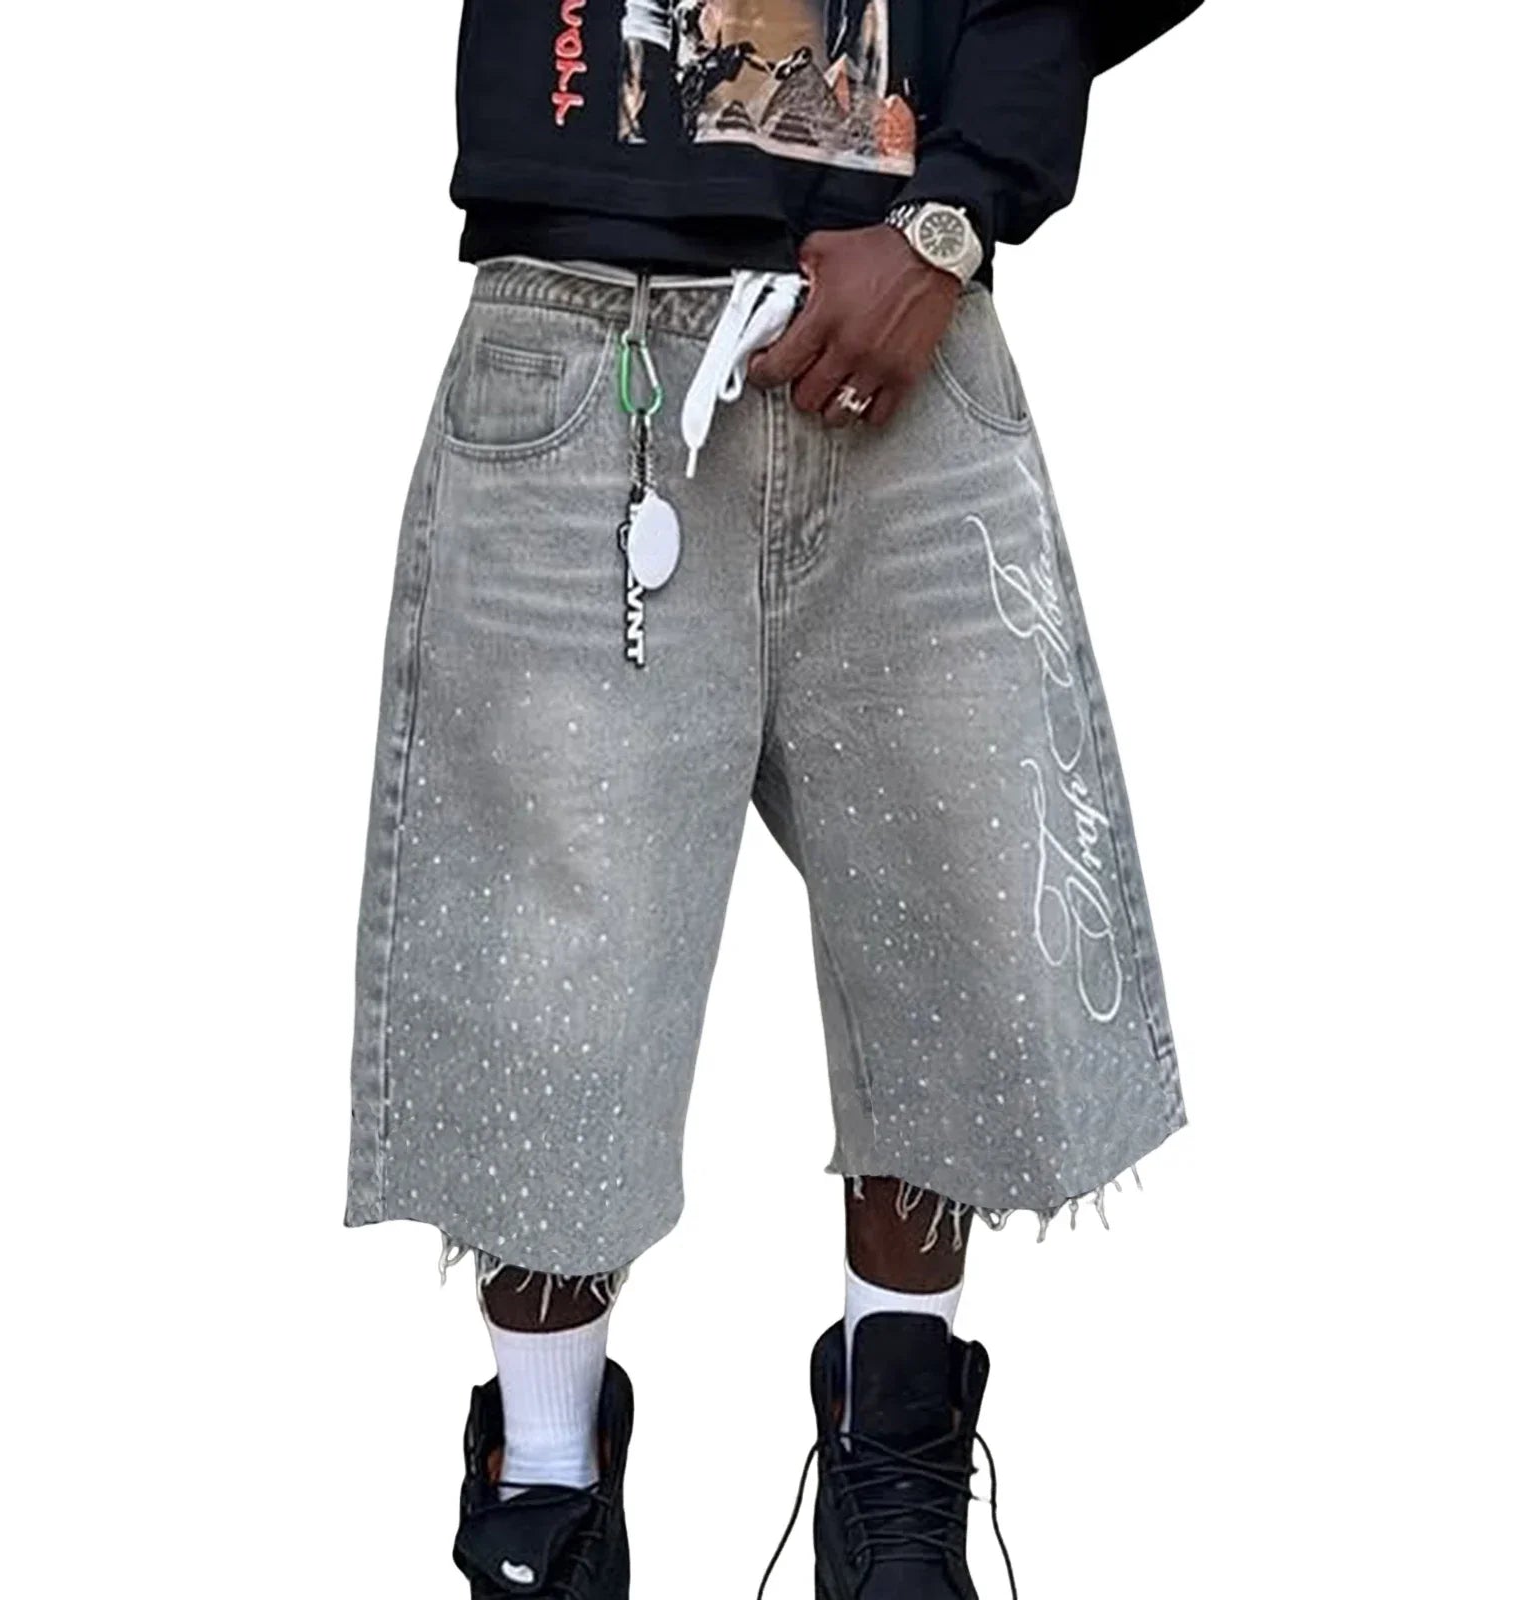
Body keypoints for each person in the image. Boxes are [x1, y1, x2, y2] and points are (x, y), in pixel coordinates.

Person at [345, 3, 1202, 1595]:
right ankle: (544, 1481)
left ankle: (896, 1439)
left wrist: (951, 218)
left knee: (960, 914)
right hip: (580, 327)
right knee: (549, 980)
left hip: (900, 331)